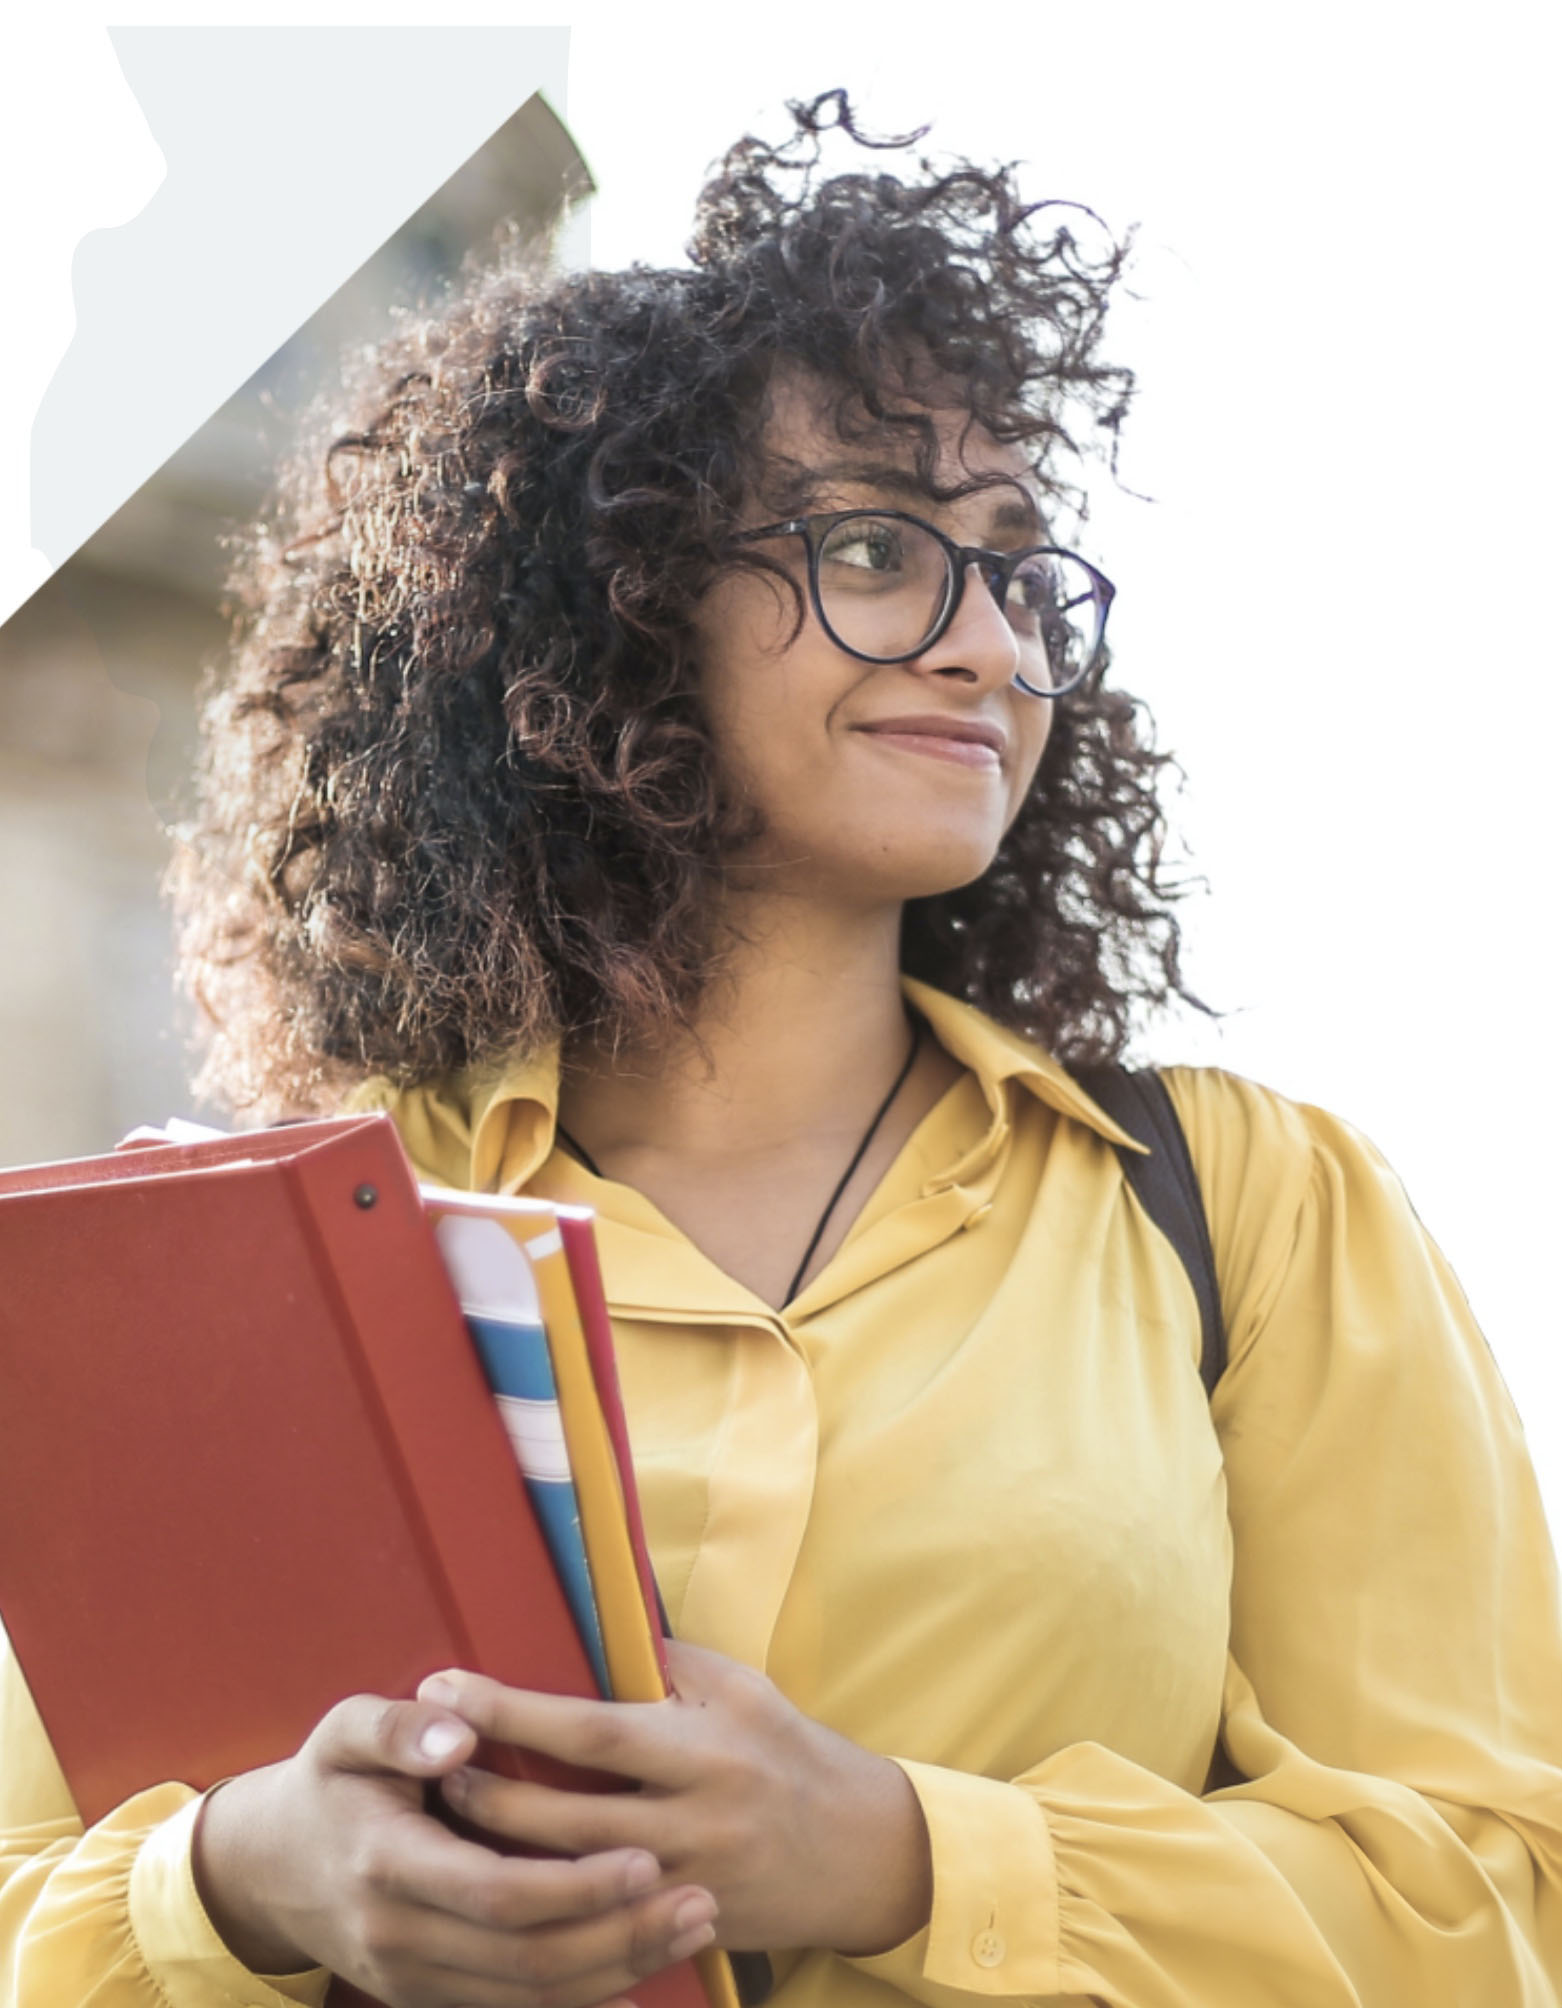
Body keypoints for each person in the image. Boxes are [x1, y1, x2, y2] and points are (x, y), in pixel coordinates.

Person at [2, 89, 1559, 2008]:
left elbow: (1488, 1903)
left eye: (1013, 562)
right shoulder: (288, 1249)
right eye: (877, 550)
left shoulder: (1248, 1211)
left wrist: (901, 1856)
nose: (988, 640)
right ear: (619, 604)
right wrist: (236, 1885)